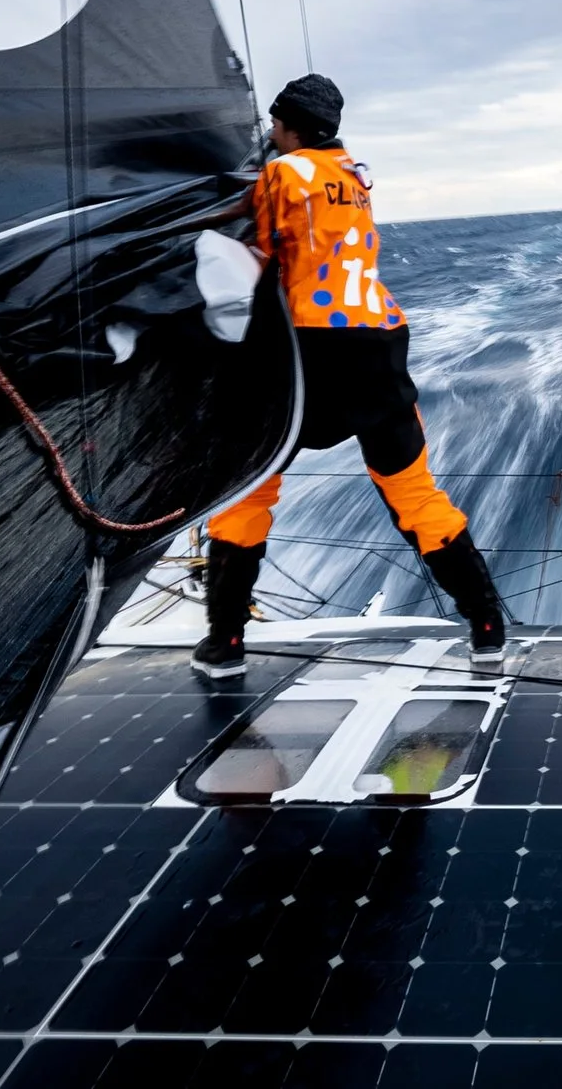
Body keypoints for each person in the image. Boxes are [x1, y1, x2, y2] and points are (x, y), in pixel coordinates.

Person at [191, 73, 507, 679]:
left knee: (250, 485)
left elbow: (252, 253)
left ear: (286, 126)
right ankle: (487, 627)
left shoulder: (282, 174)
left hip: (312, 345)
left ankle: (225, 643)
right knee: (414, 493)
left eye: (274, 126)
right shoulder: (356, 177)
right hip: (380, 339)